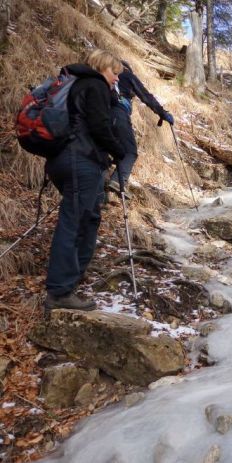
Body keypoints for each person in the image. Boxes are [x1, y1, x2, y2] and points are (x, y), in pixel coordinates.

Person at [44, 50, 126, 312]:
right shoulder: (95, 85)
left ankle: (74, 274)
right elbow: (99, 126)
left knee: (89, 216)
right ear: (103, 67)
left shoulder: (74, 85)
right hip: (81, 161)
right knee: (74, 220)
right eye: (114, 73)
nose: (115, 79)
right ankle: (59, 291)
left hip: (61, 160)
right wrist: (119, 150)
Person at [107, 61, 174, 197]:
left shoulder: (104, 77)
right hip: (118, 115)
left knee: (109, 151)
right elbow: (145, 96)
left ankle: (101, 188)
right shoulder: (127, 75)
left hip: (100, 116)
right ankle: (118, 181)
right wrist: (162, 113)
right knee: (130, 152)